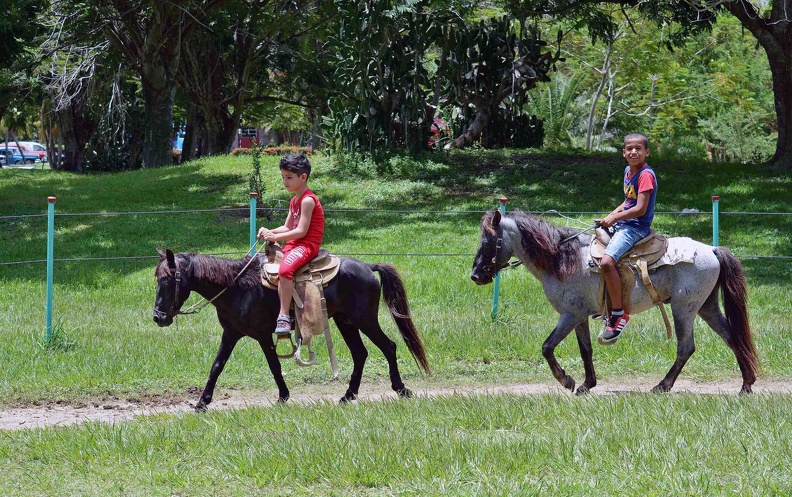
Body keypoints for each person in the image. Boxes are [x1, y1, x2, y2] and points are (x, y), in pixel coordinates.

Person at [597, 132, 657, 345]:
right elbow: (628, 202)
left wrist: (615, 218)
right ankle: (602, 304)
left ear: (646, 152)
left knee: (606, 262)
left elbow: (640, 209)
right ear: (623, 153)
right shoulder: (627, 171)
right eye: (629, 149)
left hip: (636, 228)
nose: (633, 152)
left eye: (638, 148)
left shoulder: (645, 175)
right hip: (624, 223)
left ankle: (619, 313)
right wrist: (610, 215)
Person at [257, 154, 325, 336]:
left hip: (307, 245)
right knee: (266, 263)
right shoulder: (294, 200)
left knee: (285, 270)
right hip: (295, 243)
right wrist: (269, 232)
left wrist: (275, 236)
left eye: (289, 177)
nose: (284, 181)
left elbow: (301, 231)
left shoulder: (308, 200)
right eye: (283, 177)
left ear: (303, 177)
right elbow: (287, 227)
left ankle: (284, 315)